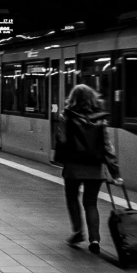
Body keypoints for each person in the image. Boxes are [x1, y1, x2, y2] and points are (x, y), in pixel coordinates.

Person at [53, 83, 117, 253]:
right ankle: (95, 240)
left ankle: (78, 231)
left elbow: (62, 140)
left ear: (72, 99)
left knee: (72, 198)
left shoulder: (66, 116)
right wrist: (115, 172)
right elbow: (107, 147)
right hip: (95, 167)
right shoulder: (101, 118)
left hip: (74, 166)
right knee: (91, 202)